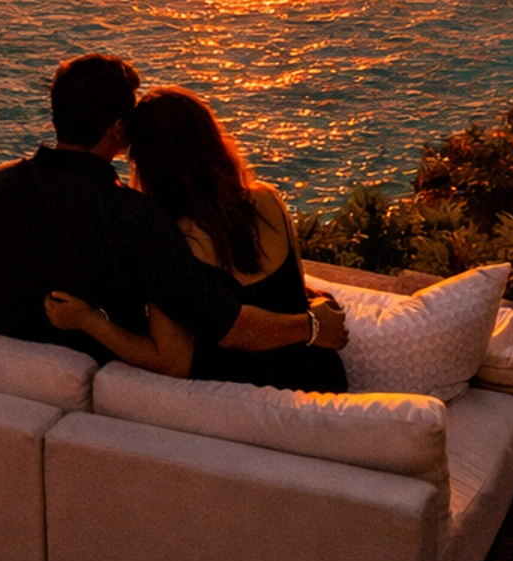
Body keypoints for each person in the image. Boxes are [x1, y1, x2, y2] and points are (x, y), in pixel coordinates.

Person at [0, 53, 346, 371]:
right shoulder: (136, 219)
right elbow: (214, 331)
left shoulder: (0, 182)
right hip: (97, 368)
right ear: (117, 130)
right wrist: (311, 326)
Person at [45, 84, 348, 393]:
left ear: (148, 163)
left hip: (248, 390)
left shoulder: (171, 237)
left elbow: (169, 359)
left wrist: (86, 319)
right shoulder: (269, 200)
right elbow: (293, 291)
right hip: (319, 373)